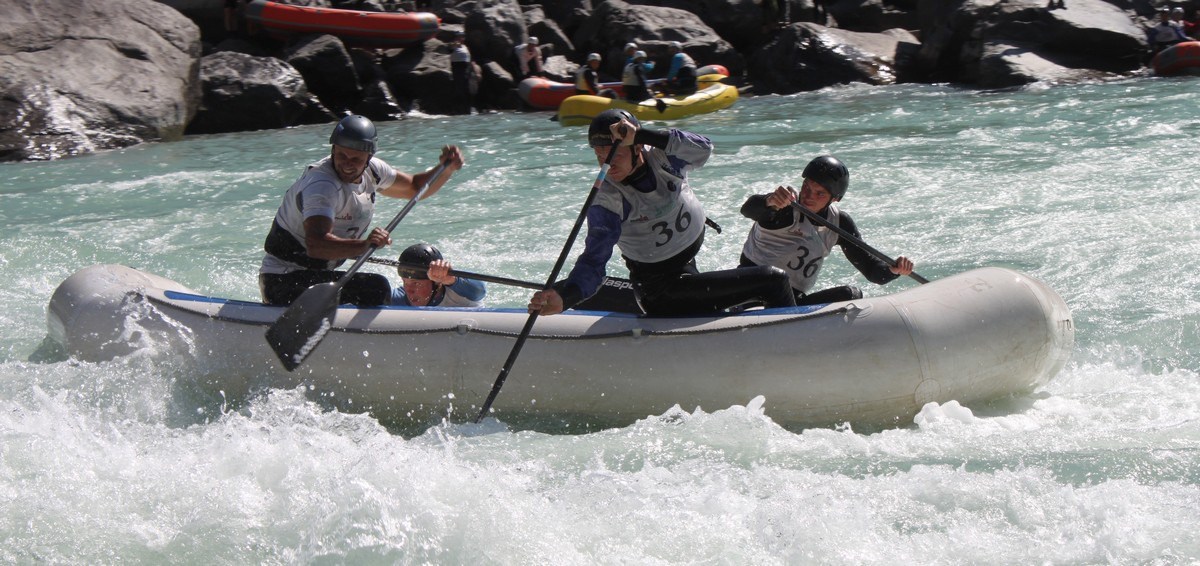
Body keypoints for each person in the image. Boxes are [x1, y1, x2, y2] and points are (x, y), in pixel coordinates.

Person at [527, 110, 795, 317]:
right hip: (662, 290)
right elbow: (593, 262)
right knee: (774, 280)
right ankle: (792, 351)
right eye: (599, 155)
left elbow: (704, 148)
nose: (607, 163)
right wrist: (568, 297)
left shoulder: (664, 158)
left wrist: (643, 134)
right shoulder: (608, 200)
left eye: (613, 153)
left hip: (686, 269)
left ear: (636, 147)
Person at [259, 115, 466, 307]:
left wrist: (445, 169)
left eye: (355, 159)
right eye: (341, 155)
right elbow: (316, 244)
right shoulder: (321, 185)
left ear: (368, 157)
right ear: (333, 150)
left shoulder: (374, 171)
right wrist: (365, 245)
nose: (347, 165)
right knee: (375, 287)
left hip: (317, 277)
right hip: (282, 280)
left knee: (373, 288)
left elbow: (414, 187)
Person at [738, 156, 915, 306]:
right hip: (751, 293)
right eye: (806, 187)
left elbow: (873, 271)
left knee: (851, 294)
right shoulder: (783, 206)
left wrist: (895, 269)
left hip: (790, 302)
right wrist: (769, 201)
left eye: (819, 193)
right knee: (773, 280)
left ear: (835, 199)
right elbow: (748, 209)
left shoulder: (839, 223)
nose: (808, 196)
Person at [390, 243, 486, 307]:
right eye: (405, 282)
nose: (409, 291)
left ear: (437, 283)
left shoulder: (463, 295)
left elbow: (480, 291)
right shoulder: (399, 299)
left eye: (416, 284)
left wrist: (451, 279)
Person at [449, 31, 474, 114]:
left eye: (462, 36)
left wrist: (473, 70)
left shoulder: (465, 47)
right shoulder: (453, 45)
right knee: (458, 89)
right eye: (459, 36)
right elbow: (450, 49)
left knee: (467, 89)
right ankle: (457, 109)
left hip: (466, 69)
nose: (461, 38)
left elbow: (470, 59)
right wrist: (454, 45)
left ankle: (467, 110)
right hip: (458, 68)